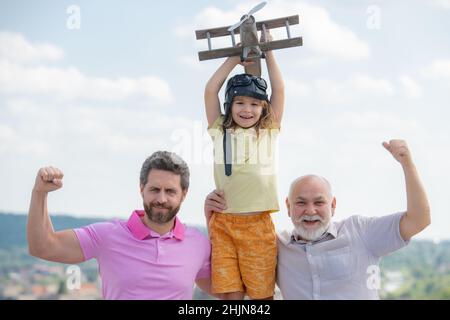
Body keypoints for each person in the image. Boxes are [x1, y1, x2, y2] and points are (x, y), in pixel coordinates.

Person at [204, 139, 431, 299]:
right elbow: (233, 278)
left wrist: (407, 164)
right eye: (301, 203)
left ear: (333, 205)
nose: (310, 210)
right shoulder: (274, 245)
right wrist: (213, 217)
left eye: (319, 202)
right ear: (288, 207)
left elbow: (419, 220)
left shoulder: (361, 231)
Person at [27, 151, 213, 300]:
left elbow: (227, 292)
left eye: (170, 191)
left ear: (184, 194)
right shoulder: (107, 236)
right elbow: (42, 247)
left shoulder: (198, 243)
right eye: (154, 189)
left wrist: (218, 220)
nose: (161, 199)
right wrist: (39, 193)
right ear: (141, 188)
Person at [204, 31, 284, 300]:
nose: (246, 109)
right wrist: (233, 58)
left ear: (263, 110)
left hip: (258, 226)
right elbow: (210, 89)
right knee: (229, 296)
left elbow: (280, 90)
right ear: (230, 105)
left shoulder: (268, 130)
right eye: (240, 102)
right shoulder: (219, 130)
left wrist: (269, 51)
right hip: (224, 224)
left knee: (262, 297)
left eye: (254, 104)